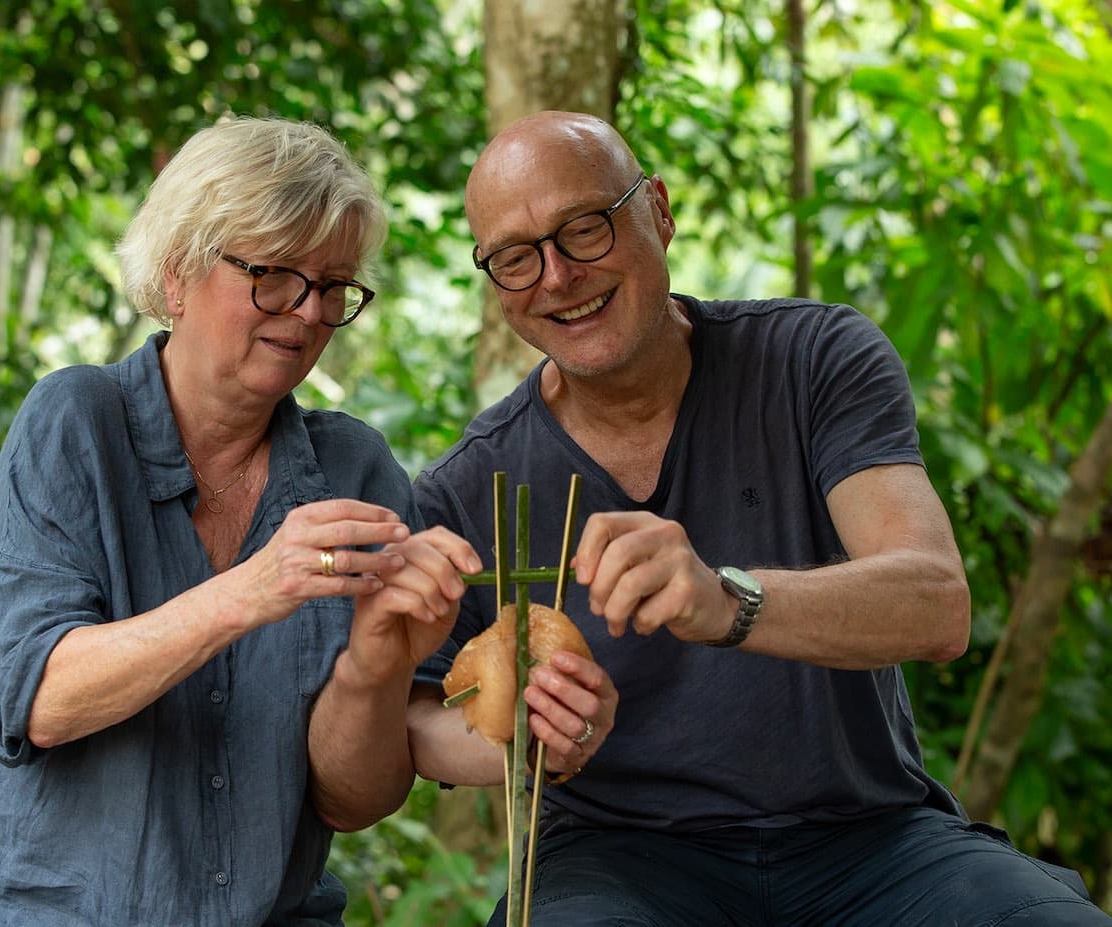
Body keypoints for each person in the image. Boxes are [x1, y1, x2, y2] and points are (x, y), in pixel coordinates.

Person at [407, 110, 1112, 926]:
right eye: (515, 258)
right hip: (616, 859)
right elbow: (422, 715)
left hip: (871, 839)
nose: (557, 276)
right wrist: (518, 735)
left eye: (585, 229)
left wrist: (725, 600)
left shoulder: (813, 358)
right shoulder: (472, 480)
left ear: (658, 212)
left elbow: (935, 602)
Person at [0, 116, 492, 927]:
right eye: (275, 275)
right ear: (178, 274)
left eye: (334, 285)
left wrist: (375, 664)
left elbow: (353, 802)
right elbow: (43, 699)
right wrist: (254, 587)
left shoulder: (355, 472)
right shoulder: (78, 420)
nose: (309, 312)